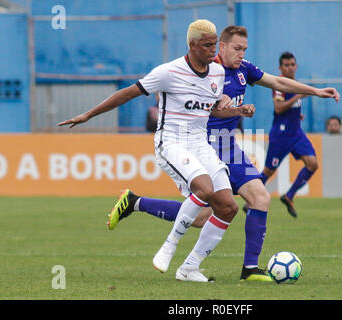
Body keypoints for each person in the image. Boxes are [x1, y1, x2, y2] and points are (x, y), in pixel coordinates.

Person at [106, 27, 340, 281]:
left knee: (260, 197)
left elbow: (277, 81)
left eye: (244, 50)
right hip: (205, 147)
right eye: (237, 49)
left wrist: (315, 91)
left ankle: (249, 270)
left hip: (230, 147)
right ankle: (136, 203)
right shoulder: (207, 69)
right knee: (201, 217)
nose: (241, 54)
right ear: (222, 47)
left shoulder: (244, 70)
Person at [58, 19, 247, 283]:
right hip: (171, 142)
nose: (212, 50)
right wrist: (88, 115)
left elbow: (210, 107)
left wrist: (236, 110)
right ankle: (169, 245)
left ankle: (190, 267)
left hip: (199, 143)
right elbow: (127, 93)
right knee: (204, 190)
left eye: (214, 44)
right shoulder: (168, 72)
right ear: (192, 45)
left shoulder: (217, 72)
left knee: (228, 208)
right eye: (207, 45)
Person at [260, 51, 335, 218]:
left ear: (296, 66)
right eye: (286, 65)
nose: (290, 68)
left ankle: (289, 195)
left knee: (312, 163)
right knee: (268, 171)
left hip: (296, 133)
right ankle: (252, 197)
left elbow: (292, 106)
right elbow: (278, 108)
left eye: (292, 65)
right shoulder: (278, 85)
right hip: (281, 135)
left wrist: (297, 114)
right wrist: (297, 98)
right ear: (280, 68)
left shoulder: (295, 85)